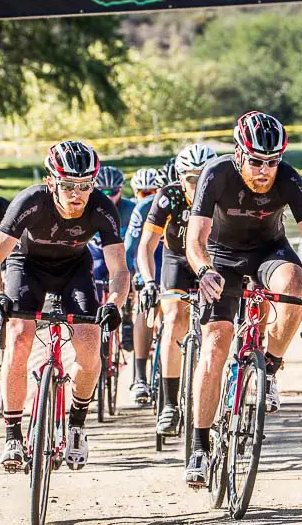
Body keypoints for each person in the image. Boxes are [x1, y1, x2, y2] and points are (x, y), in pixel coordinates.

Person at [183, 111, 302, 486]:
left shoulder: (289, 179)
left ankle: (270, 367)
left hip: (270, 251)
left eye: (273, 161)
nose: (265, 170)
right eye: (256, 160)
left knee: (293, 284)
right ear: (238, 153)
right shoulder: (216, 175)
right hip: (222, 257)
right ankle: (199, 445)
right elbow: (195, 240)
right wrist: (204, 270)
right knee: (215, 344)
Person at [0, 141, 129, 471]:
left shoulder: (102, 208)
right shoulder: (31, 202)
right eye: (67, 185)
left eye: (85, 186)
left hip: (74, 270)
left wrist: (115, 304)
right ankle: (12, 436)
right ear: (51, 182)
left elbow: (119, 269)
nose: (76, 194)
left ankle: (76, 423)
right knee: (19, 335)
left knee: (90, 343)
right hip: (26, 265)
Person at [136, 143, 217, 436]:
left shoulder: (222, 192)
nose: (198, 184)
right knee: (173, 319)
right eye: (191, 178)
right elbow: (146, 245)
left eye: (204, 176)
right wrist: (148, 281)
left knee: (218, 327)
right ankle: (170, 404)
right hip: (178, 261)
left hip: (213, 261)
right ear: (180, 177)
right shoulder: (169, 196)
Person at [125, 167, 164, 405]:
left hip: (177, 262)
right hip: (150, 260)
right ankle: (140, 376)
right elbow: (131, 248)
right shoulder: (143, 207)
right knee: (145, 307)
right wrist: (135, 275)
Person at [88, 165, 137, 352]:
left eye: (113, 191)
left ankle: (126, 316)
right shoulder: (90, 207)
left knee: (128, 271)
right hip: (97, 253)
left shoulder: (130, 209)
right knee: (93, 276)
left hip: (120, 252)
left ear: (121, 189)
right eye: (103, 191)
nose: (108, 196)